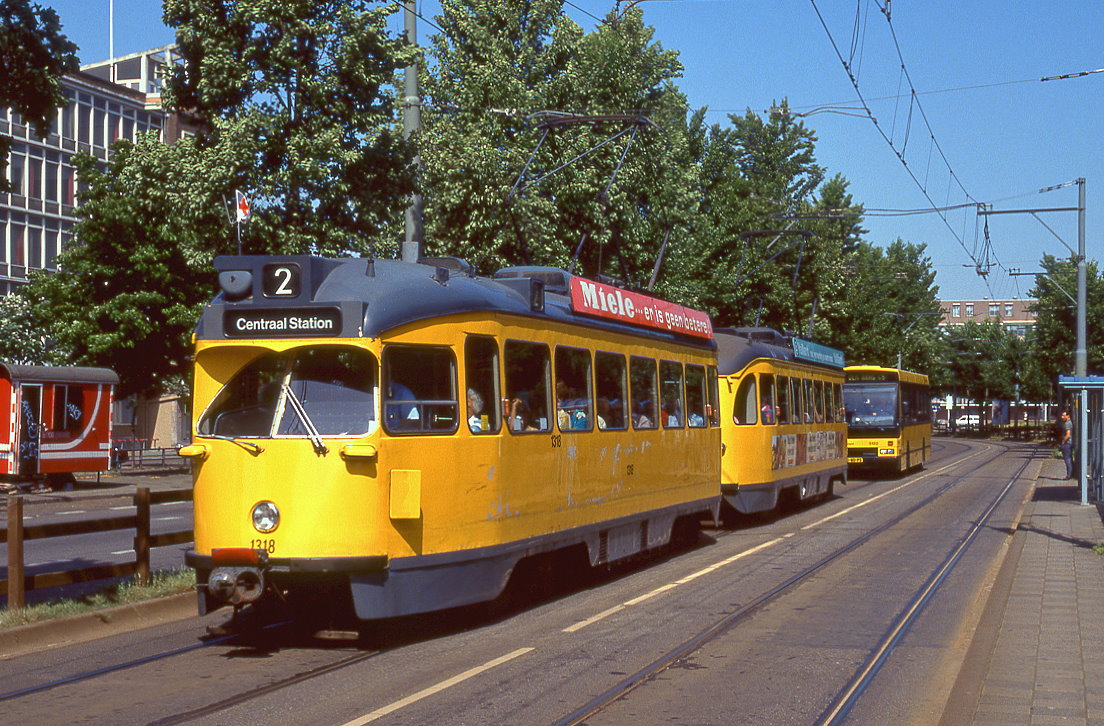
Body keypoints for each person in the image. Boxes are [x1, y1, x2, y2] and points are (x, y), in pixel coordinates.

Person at [1060, 410, 1074, 479]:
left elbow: (1068, 435)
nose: (1062, 417)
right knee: (1069, 459)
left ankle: (1069, 475)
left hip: (1067, 444)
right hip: (1069, 443)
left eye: (1063, 415)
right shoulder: (1068, 423)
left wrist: (1063, 441)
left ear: (1068, 416)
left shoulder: (1067, 424)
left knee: (1067, 459)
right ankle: (1070, 474)